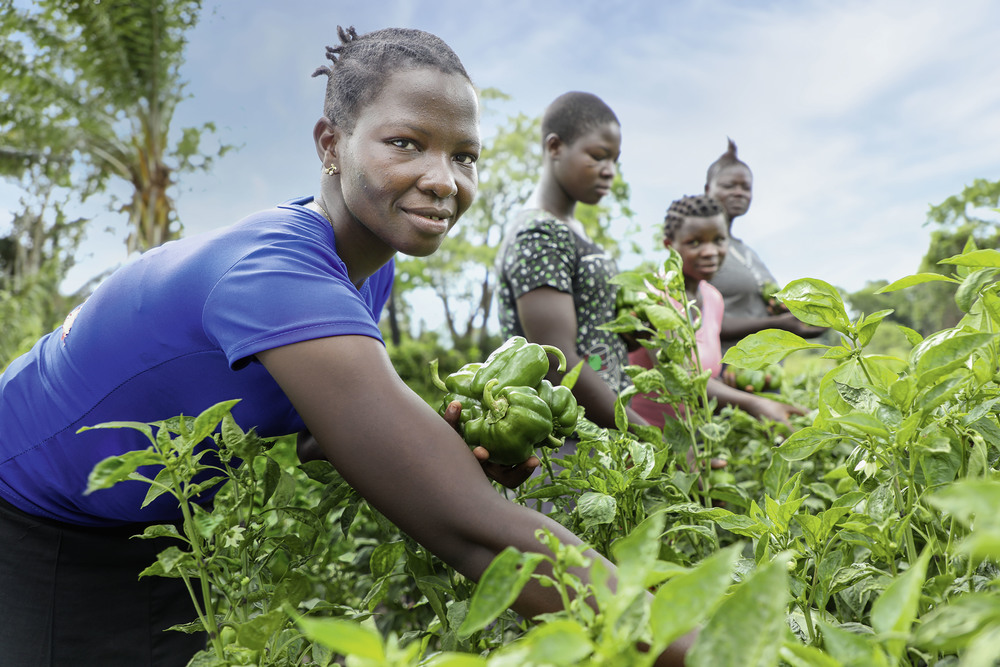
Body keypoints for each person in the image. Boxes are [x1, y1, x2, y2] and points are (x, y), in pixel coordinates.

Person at [0, 27, 691, 666]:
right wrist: (699, 643)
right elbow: (476, 531)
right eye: (406, 143)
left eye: (464, 156)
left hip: (152, 533)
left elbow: (321, 430)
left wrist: (440, 444)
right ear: (330, 144)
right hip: (30, 518)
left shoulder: (366, 267)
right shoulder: (280, 276)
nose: (444, 179)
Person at [495, 91, 647, 430]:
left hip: (604, 432)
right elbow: (555, 359)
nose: (609, 172)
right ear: (555, 147)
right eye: (598, 156)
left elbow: (589, 328)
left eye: (615, 161)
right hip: (568, 439)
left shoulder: (572, 231)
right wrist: (646, 433)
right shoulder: (539, 235)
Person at [628, 195, 805, 429]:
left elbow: (705, 375)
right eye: (694, 243)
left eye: (719, 240)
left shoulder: (712, 298)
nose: (710, 251)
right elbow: (680, 377)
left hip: (698, 436)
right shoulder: (655, 298)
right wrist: (754, 404)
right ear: (669, 245)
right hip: (649, 436)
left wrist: (732, 381)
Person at [705, 139, 825, 357]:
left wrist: (802, 318)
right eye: (729, 186)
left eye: (746, 187)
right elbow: (699, 321)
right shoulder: (700, 249)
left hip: (763, 368)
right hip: (726, 368)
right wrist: (776, 324)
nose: (739, 193)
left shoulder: (747, 252)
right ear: (708, 189)